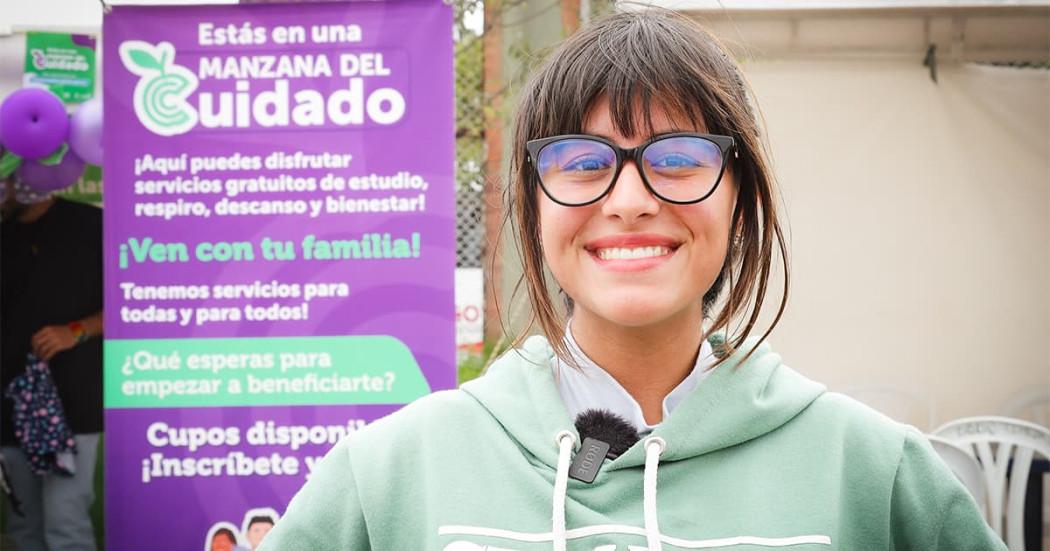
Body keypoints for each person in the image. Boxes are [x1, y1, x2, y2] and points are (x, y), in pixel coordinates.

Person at [260, 9, 1005, 550]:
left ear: (742, 197)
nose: (629, 200)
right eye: (582, 162)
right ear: (533, 205)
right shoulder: (388, 477)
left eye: (678, 156)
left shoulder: (877, 477)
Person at [1, 174, 104, 550]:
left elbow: (133, 300)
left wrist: (75, 330)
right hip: (11, 408)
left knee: (65, 525)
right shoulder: (5, 233)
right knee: (24, 528)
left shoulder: (88, 226)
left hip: (72, 404)